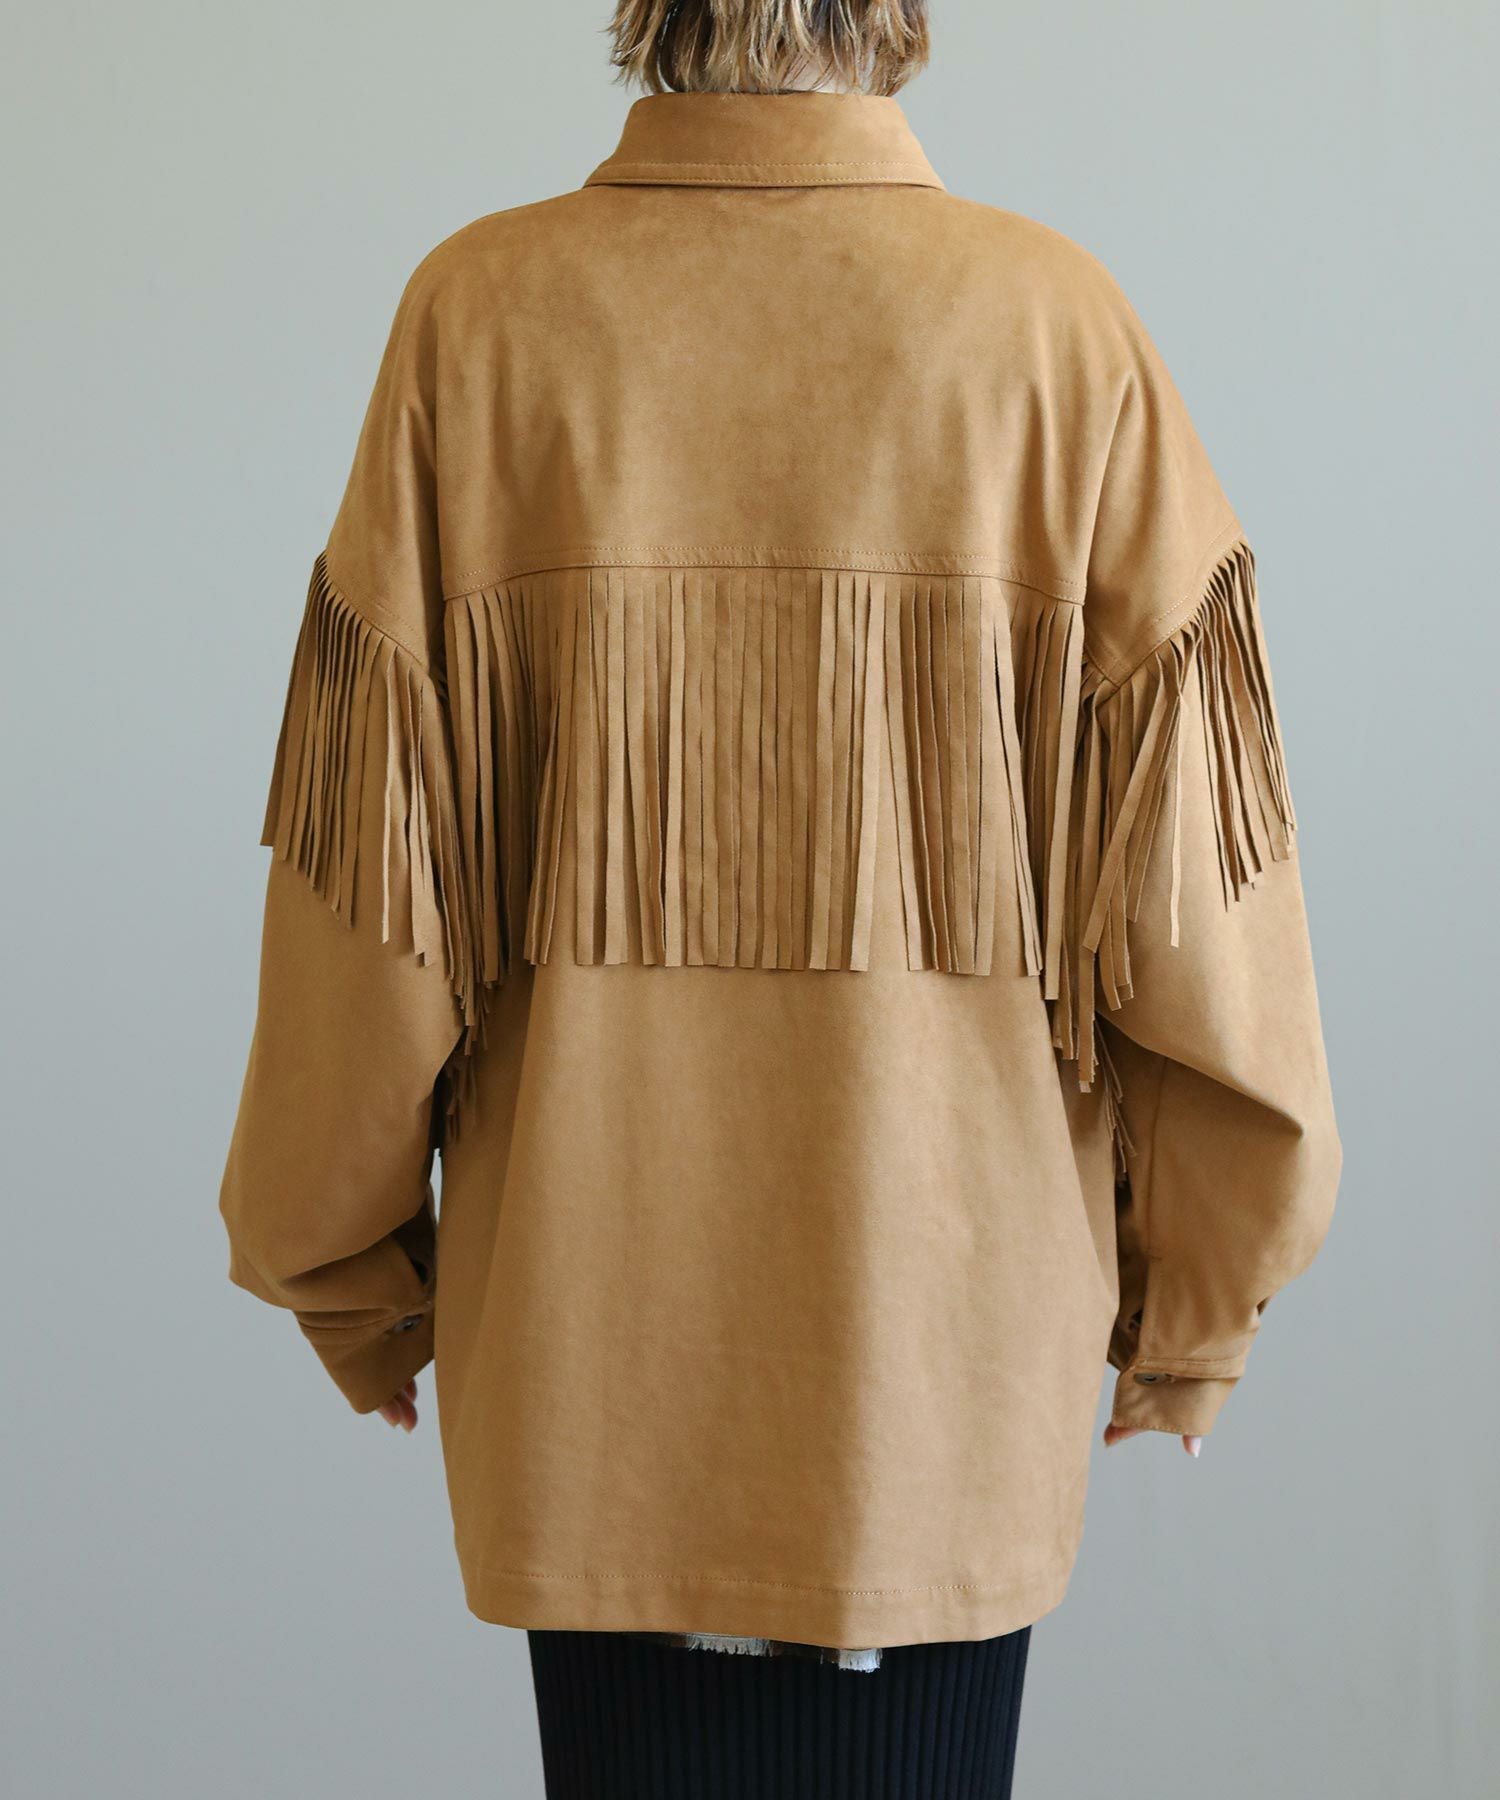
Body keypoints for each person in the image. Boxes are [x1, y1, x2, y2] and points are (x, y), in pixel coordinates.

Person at [218, 2, 1342, 1793]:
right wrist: (1198, 1307)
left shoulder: (480, 322)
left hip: (597, 1389)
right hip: (939, 1401)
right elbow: (1209, 917)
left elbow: (368, 908)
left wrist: (349, 1273)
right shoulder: (1055, 333)